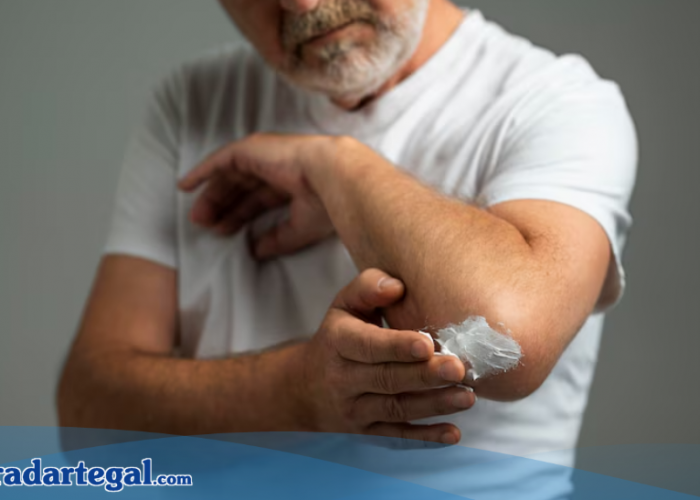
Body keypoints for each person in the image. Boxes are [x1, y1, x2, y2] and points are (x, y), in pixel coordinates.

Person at [57, 0, 636, 482]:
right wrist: (298, 394)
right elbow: (86, 419)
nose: (302, 5)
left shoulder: (556, 103)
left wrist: (337, 168)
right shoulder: (195, 100)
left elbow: (508, 345)